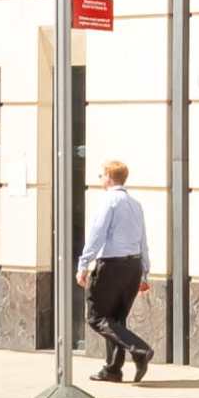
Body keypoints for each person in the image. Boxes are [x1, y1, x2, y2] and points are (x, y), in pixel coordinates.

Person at [78, 156, 153, 385]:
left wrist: (83, 264)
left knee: (96, 317)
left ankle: (139, 349)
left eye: (101, 175)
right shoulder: (135, 204)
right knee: (116, 320)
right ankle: (112, 370)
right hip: (132, 266)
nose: (100, 178)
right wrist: (144, 272)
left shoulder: (108, 201)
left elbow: (96, 234)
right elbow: (143, 240)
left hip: (111, 266)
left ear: (109, 178)